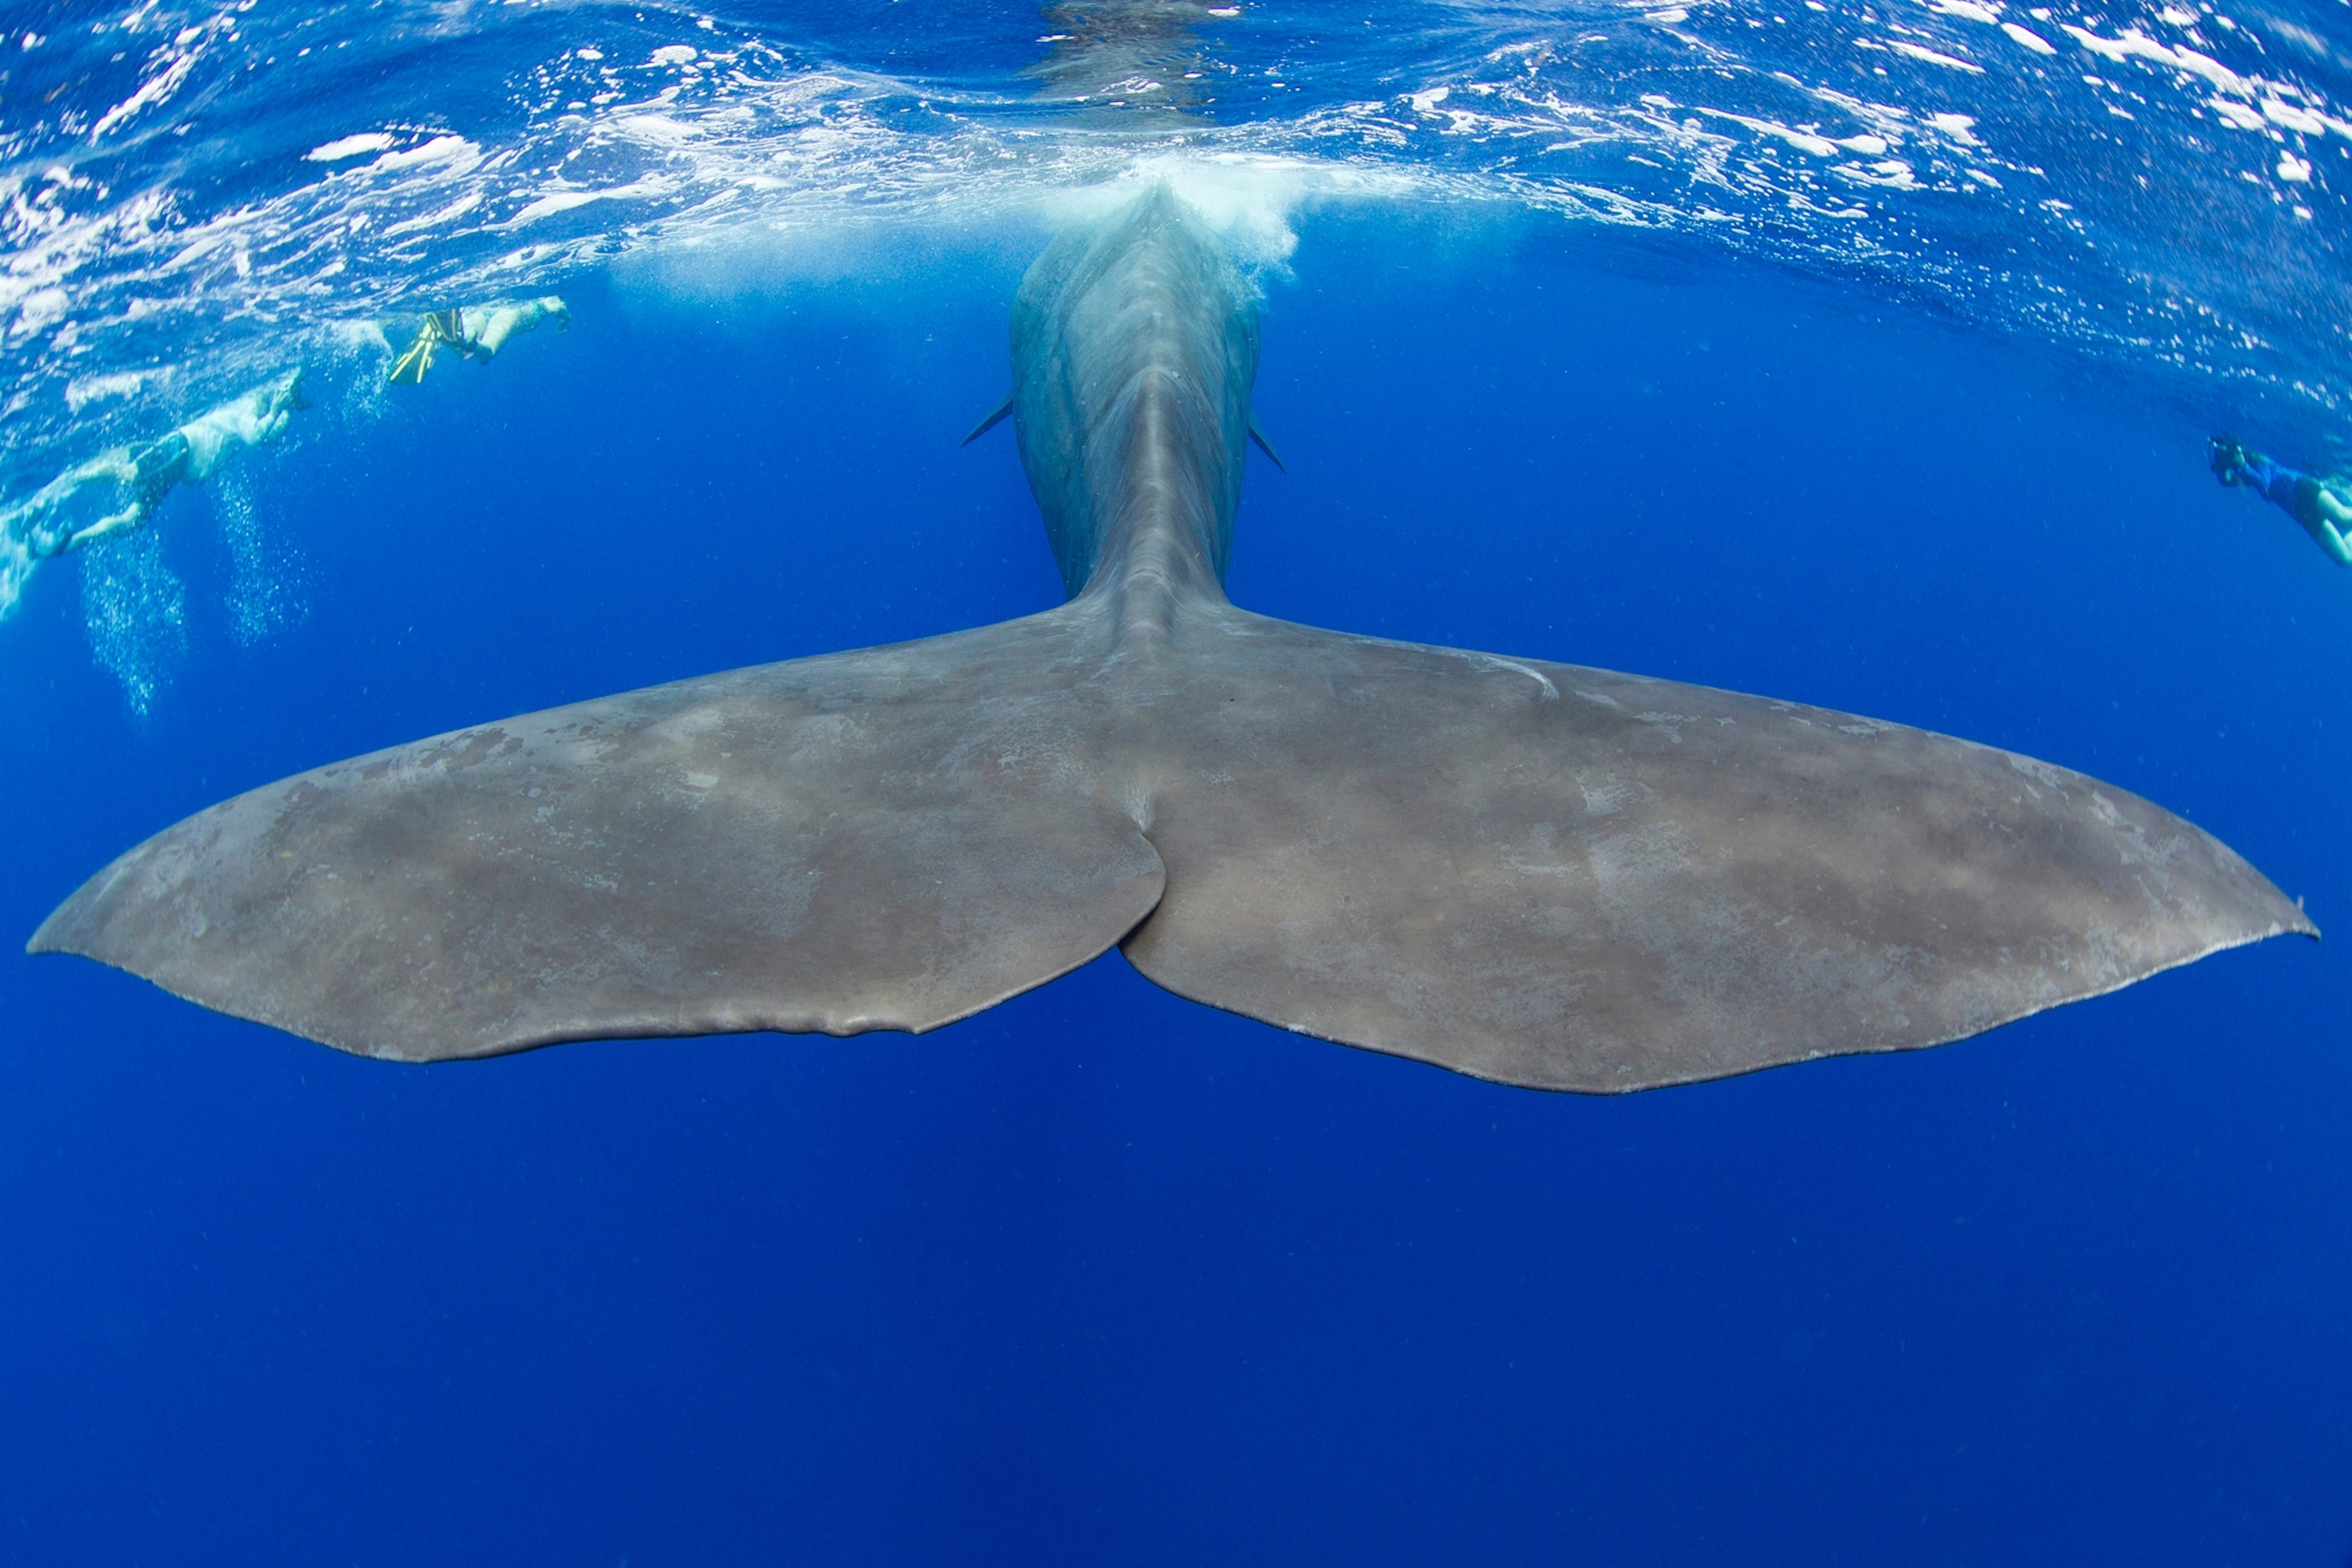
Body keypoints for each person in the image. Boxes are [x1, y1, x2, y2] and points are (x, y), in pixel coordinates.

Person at [0, 371, 305, 560]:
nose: (277, 400)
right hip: (180, 449)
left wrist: (286, 412)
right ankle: (66, 482)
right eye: (278, 395)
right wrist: (278, 406)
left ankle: (61, 546)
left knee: (134, 519)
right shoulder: (250, 404)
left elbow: (271, 436)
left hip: (179, 468)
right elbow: (256, 434)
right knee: (131, 474)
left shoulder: (259, 412)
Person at [2211, 434, 2352, 566]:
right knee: (2345, 558)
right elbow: (2228, 482)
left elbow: (2264, 484)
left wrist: (2242, 466)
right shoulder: (2247, 473)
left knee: (2343, 517)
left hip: (2302, 489)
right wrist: (2222, 469)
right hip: (2300, 513)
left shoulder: (2260, 460)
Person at [387, 296, 570, 385]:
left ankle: (449, 335)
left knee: (465, 347)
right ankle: (459, 338)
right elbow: (557, 306)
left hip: (483, 308)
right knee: (486, 352)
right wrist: (566, 319)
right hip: (512, 314)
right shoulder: (548, 299)